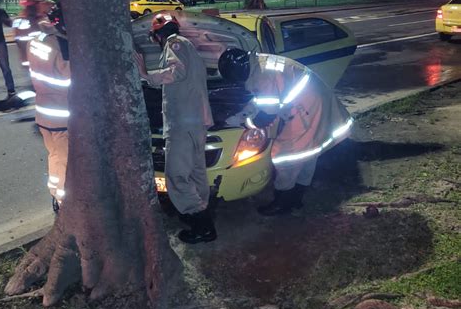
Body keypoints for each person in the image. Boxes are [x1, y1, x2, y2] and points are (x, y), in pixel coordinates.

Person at [218, 48, 353, 215]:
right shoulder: (260, 64)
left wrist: (242, 124)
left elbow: (265, 117)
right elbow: (261, 100)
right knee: (308, 152)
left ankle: (283, 202)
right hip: (313, 101)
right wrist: (242, 113)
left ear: (240, 73)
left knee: (286, 157)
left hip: (305, 109)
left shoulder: (263, 77)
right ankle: (297, 198)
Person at [135, 13, 216, 244]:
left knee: (177, 176)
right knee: (196, 172)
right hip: (195, 121)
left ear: (158, 35)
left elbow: (175, 71)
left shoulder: (175, 44)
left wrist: (146, 75)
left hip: (182, 123)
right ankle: (202, 215)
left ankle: (202, 225)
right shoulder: (187, 45)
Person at [27, 2, 70, 212]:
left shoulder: (37, 39)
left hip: (43, 113)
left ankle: (55, 194)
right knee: (64, 161)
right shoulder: (61, 45)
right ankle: (64, 204)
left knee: (54, 156)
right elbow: (71, 80)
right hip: (61, 116)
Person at [12, 0, 51, 68]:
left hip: (32, 58)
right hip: (35, 57)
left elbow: (17, 37)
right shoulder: (38, 19)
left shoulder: (20, 18)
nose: (38, 5)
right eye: (37, 3)